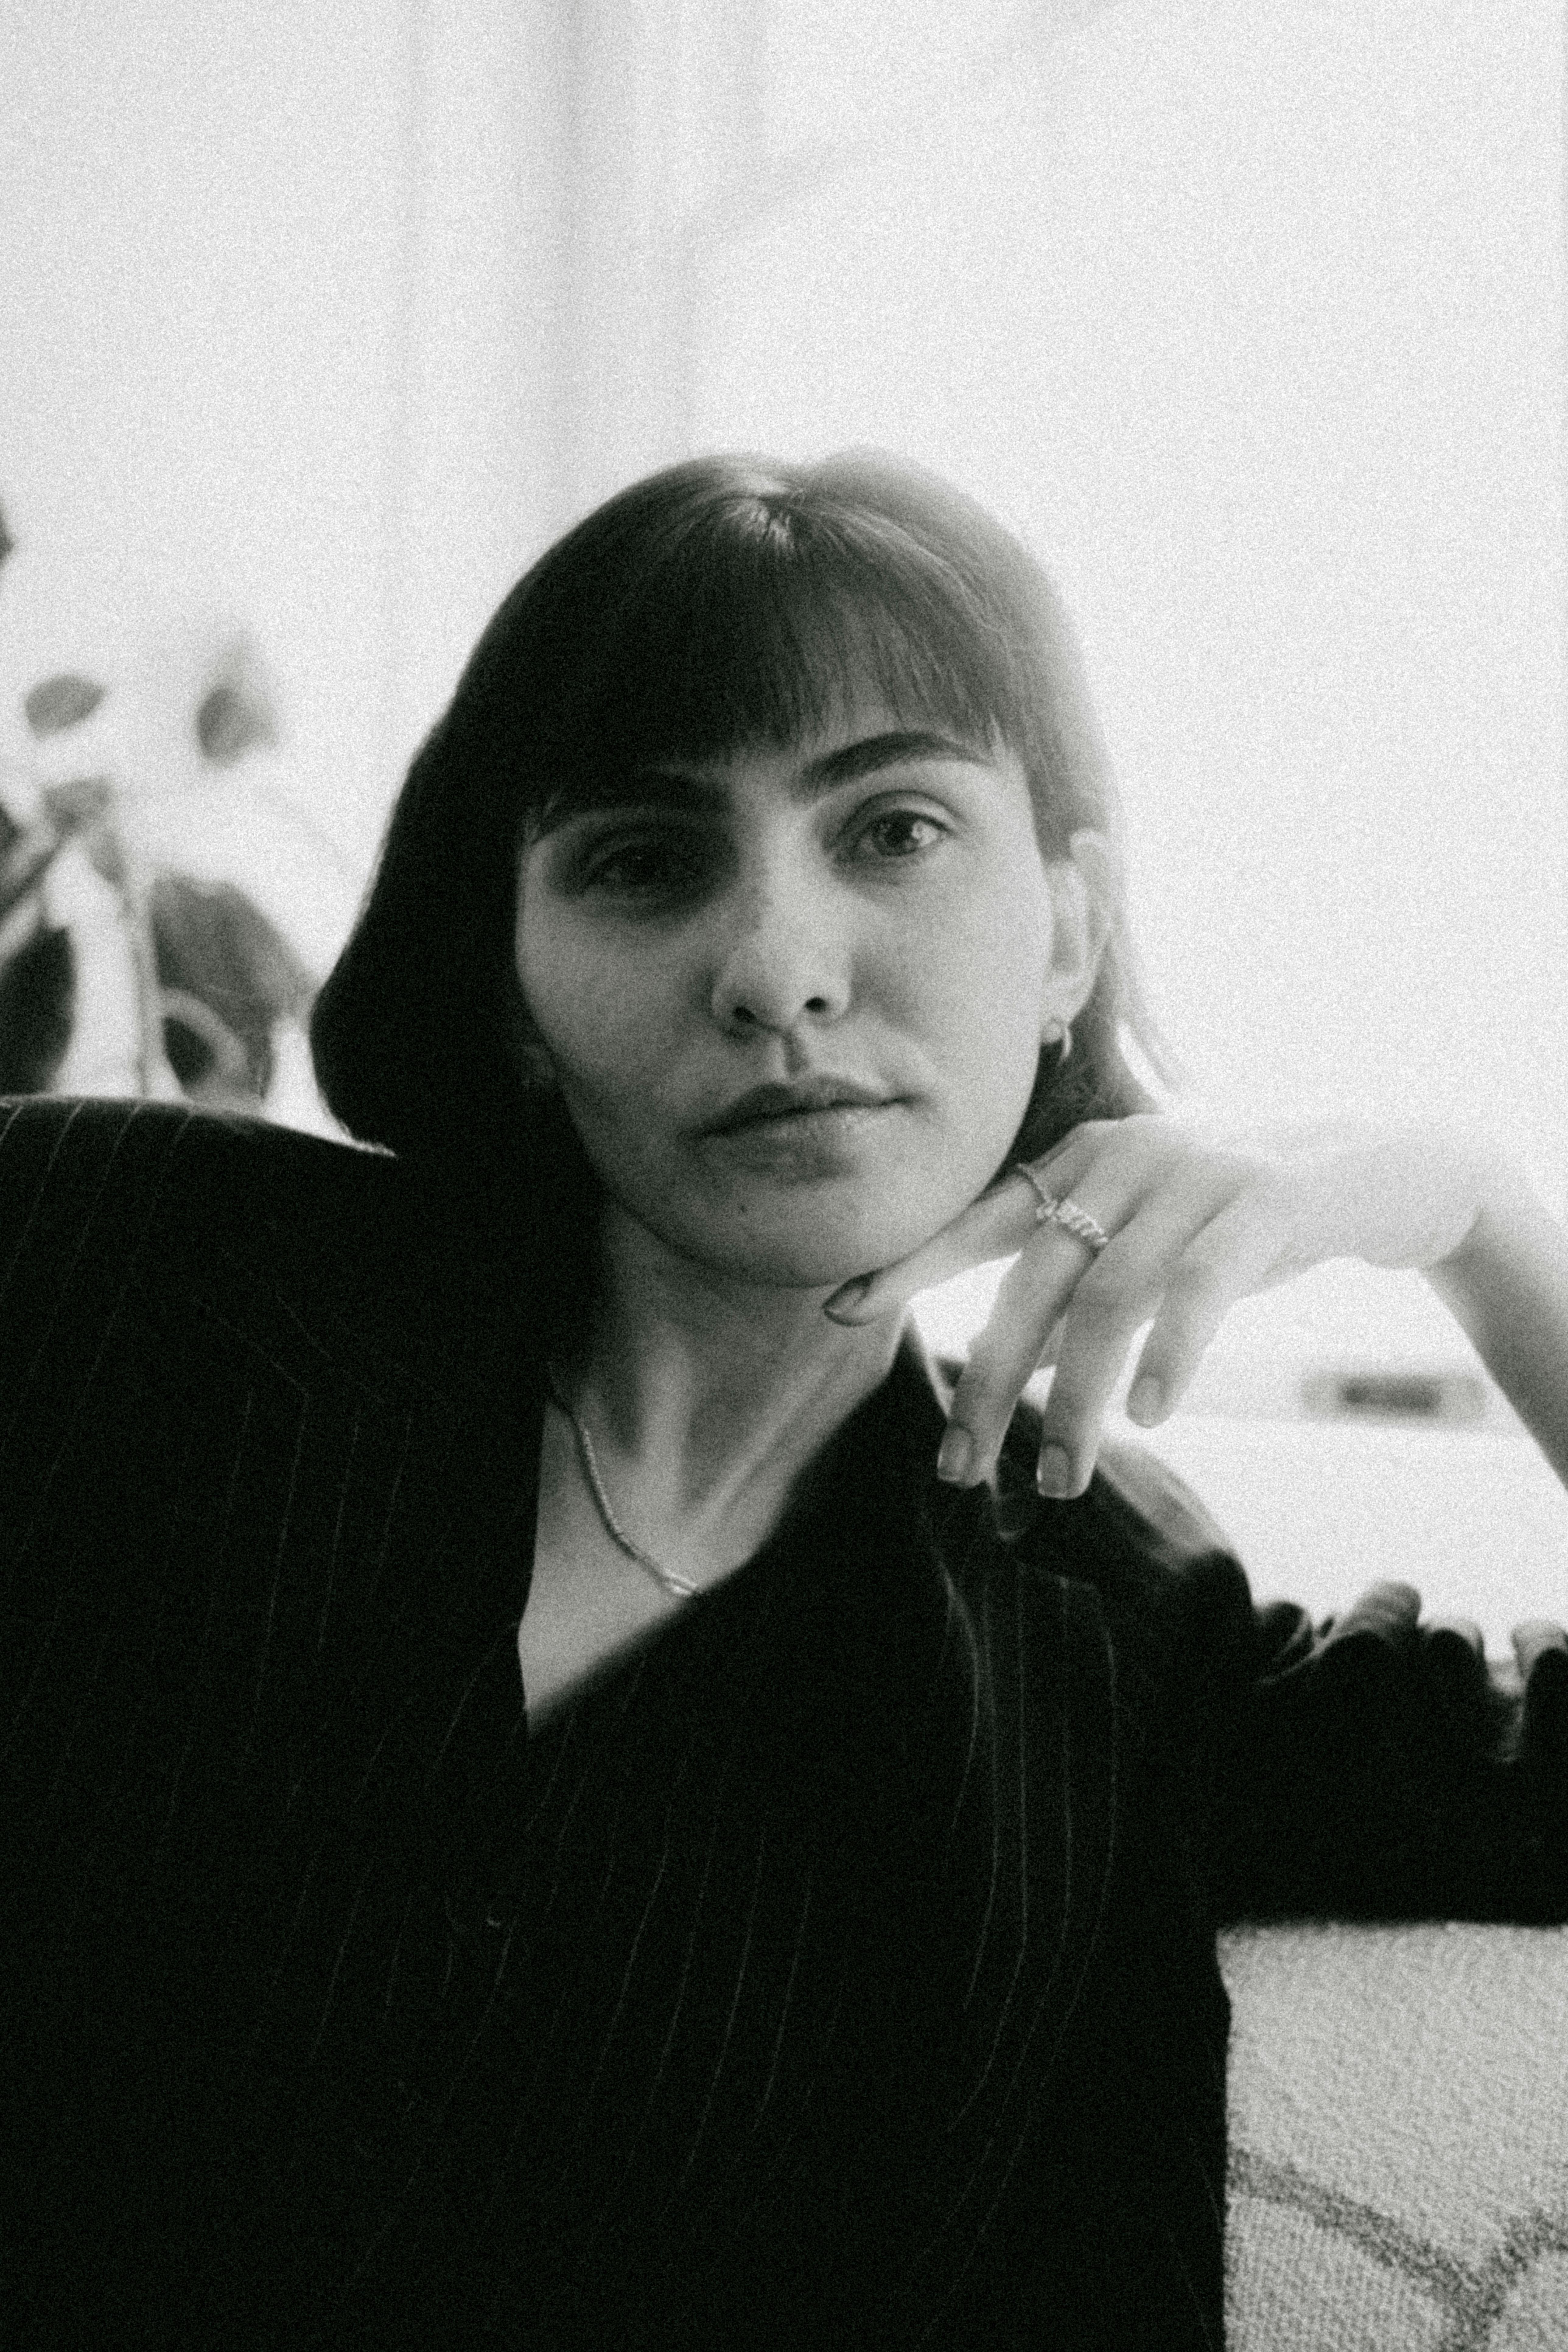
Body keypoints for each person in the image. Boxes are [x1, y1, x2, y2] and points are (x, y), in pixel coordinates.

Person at [3, 451, 1566, 2350]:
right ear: (510, 979)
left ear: (1068, 934)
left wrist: (1471, 1208)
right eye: (645, 862)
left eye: (895, 830)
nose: (776, 972)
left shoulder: (1114, 1645)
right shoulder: (105, 1265)